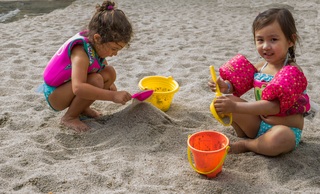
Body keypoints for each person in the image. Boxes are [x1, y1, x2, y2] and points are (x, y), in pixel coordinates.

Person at [208, 8, 310, 156]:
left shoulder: (292, 72)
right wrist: (225, 86)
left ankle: (248, 144)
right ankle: (249, 137)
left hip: (284, 130)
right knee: (224, 101)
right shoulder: (261, 66)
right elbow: (238, 85)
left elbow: (274, 107)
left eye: (273, 40)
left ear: (290, 40)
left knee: (280, 137)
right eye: (260, 40)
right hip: (258, 124)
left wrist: (236, 106)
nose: (265, 46)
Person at [39, 1, 133, 132]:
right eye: (113, 48)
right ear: (97, 38)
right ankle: (70, 117)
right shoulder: (80, 53)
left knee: (109, 72)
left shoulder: (96, 44)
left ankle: (82, 108)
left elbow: (100, 63)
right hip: (55, 94)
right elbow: (78, 88)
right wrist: (112, 96)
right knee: (96, 80)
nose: (115, 54)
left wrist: (110, 85)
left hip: (67, 87)